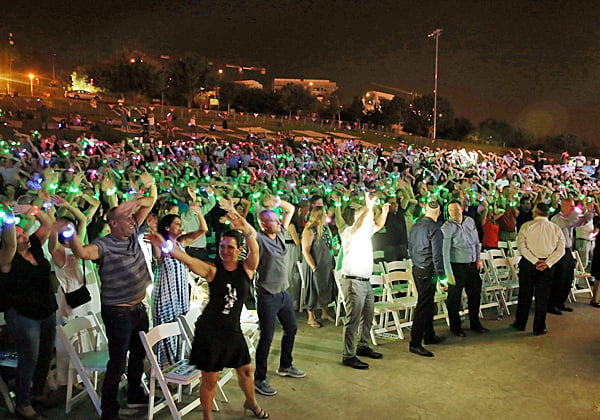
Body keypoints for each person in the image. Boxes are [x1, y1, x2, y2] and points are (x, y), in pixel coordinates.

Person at [147, 207, 268, 420]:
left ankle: (250, 402)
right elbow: (187, 260)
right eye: (222, 246)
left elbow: (255, 249)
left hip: (232, 330)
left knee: (246, 370)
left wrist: (246, 230)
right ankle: (207, 418)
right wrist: (165, 244)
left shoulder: (247, 269)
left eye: (230, 247)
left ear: (239, 249)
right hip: (210, 331)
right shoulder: (212, 270)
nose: (225, 251)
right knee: (210, 379)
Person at [60, 173, 157, 420]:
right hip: (119, 312)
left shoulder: (132, 233)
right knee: (117, 361)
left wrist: (133, 201)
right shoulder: (103, 244)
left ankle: (134, 392)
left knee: (139, 354)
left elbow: (150, 200)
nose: (133, 223)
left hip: (138, 308)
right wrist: (70, 232)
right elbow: (81, 252)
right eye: (127, 220)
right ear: (113, 224)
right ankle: (109, 410)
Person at [2, 205, 54, 420]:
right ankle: (23, 403)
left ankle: (37, 393)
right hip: (23, 315)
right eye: (19, 233)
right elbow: (11, 242)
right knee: (28, 359)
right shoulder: (6, 258)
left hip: (46, 310)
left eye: (23, 232)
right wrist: (9, 215)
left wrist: (33, 208)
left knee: (44, 356)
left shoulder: (35, 248)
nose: (24, 235)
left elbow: (47, 224)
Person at [254, 196, 306, 396]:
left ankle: (285, 365)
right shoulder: (259, 239)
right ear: (263, 224)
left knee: (291, 328)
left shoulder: (279, 234)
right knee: (266, 338)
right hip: (267, 296)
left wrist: (276, 201)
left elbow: (290, 210)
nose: (278, 222)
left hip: (283, 293)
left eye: (278, 220)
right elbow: (249, 233)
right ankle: (260, 378)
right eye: (274, 221)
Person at [339, 193, 390, 369]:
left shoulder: (365, 231)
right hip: (353, 282)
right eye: (365, 215)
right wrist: (367, 208)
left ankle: (363, 345)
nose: (369, 218)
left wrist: (383, 212)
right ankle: (348, 354)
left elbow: (378, 224)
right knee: (352, 319)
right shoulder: (349, 232)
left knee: (367, 316)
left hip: (365, 281)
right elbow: (360, 224)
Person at [151, 210, 207, 367]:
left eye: (180, 224)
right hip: (166, 296)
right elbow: (157, 256)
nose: (180, 226)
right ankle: (165, 369)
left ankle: (179, 363)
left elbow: (203, 230)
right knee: (166, 332)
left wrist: (199, 213)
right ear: (167, 227)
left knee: (181, 328)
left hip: (181, 295)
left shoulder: (181, 243)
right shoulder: (162, 245)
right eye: (176, 224)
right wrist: (156, 239)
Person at [512, 203, 565, 335]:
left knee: (525, 294)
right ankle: (539, 326)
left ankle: (520, 323)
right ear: (548, 214)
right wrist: (547, 263)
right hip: (547, 266)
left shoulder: (527, 226)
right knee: (543, 297)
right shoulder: (556, 228)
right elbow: (561, 250)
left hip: (529, 264)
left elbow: (521, 247)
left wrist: (535, 261)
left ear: (535, 212)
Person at [441, 200, 489, 337]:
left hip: (472, 264)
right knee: (454, 298)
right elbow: (445, 251)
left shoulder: (470, 221)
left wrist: (478, 259)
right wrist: (448, 272)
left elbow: (476, 242)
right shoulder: (447, 227)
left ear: (461, 209)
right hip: (457, 266)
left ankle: (475, 323)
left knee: (475, 294)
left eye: (456, 210)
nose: (454, 213)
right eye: (451, 211)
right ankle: (455, 327)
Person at [407, 201, 445, 357]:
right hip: (427, 269)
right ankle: (415, 343)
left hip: (417, 267)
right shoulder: (435, 229)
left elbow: (410, 246)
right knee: (424, 304)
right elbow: (437, 255)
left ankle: (429, 334)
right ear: (440, 213)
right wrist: (442, 276)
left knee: (427, 303)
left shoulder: (416, 225)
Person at [549, 198, 594, 315]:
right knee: (559, 278)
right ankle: (552, 304)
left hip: (568, 250)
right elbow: (569, 223)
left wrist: (589, 211)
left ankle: (561, 302)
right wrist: (577, 210)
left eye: (573, 206)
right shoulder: (556, 218)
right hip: (558, 251)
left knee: (568, 278)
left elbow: (582, 221)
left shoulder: (570, 218)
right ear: (563, 206)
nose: (573, 209)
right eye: (570, 206)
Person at [301, 206, 335, 328]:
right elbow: (305, 250)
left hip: (325, 264)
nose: (327, 216)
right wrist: (314, 267)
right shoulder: (310, 230)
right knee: (313, 290)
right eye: (325, 214)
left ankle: (325, 313)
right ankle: (311, 317)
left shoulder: (324, 229)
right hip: (315, 264)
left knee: (325, 288)